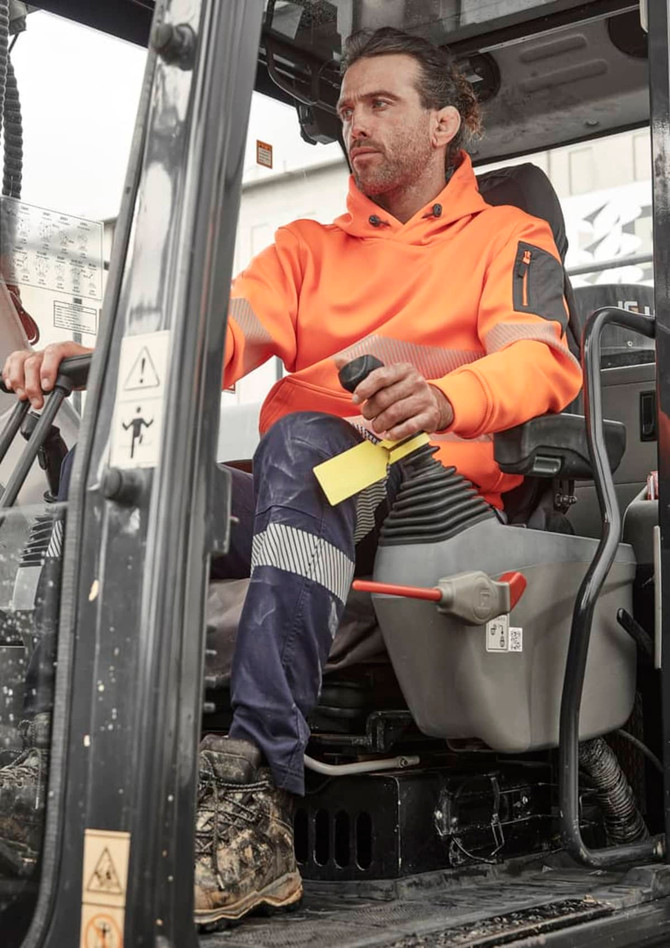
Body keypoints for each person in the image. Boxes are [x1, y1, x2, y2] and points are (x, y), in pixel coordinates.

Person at [0, 27, 582, 927]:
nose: (356, 125)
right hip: (305, 485)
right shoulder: (307, 248)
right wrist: (111, 354)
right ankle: (45, 755)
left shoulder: (507, 236)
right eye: (346, 110)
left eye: (380, 104)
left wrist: (442, 397)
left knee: (310, 440)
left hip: (432, 498)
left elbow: (540, 364)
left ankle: (261, 786)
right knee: (116, 480)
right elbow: (215, 335)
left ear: (444, 123)